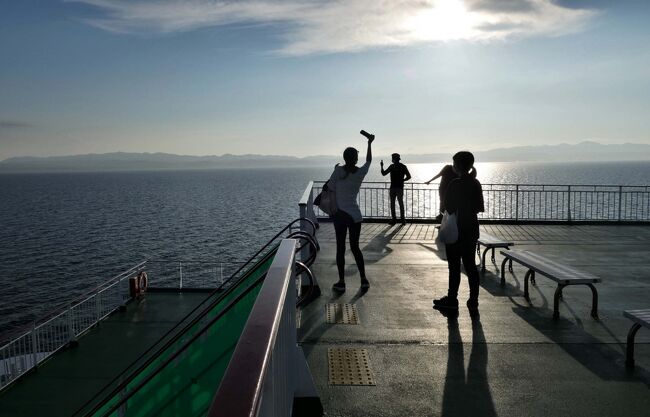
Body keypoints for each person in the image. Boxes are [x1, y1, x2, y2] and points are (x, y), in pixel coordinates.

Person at [433, 151, 484, 314]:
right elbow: (479, 207)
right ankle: (473, 300)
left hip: (456, 230)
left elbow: (447, 207)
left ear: (457, 166)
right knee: (470, 266)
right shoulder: (476, 183)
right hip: (471, 229)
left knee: (454, 267)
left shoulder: (454, 184)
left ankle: (452, 299)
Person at [328, 132, 375, 292]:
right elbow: (369, 161)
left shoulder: (338, 171)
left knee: (340, 248)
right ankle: (363, 279)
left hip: (340, 215)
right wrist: (369, 143)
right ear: (355, 158)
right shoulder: (360, 173)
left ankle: (341, 282)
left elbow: (329, 188)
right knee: (355, 247)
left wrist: (335, 169)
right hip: (355, 216)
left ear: (344, 157)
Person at [380, 153, 411, 225]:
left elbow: (383, 173)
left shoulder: (392, 166)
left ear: (393, 159)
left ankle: (394, 220)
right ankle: (403, 220)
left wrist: (381, 166)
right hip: (400, 188)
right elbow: (409, 176)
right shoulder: (403, 166)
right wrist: (403, 180)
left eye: (392, 158)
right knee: (401, 204)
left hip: (393, 188)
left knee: (392, 204)